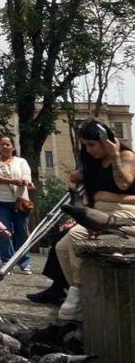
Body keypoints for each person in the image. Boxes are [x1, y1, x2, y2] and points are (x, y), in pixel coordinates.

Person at [54, 118, 135, 320]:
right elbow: (76, 178)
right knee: (61, 247)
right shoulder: (94, 164)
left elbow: (124, 183)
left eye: (92, 144)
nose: (88, 150)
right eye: (85, 146)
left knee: (75, 236)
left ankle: (78, 292)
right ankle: (82, 291)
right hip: (98, 214)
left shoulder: (126, 156)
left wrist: (114, 155)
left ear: (105, 140)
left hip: (125, 215)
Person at [0, 134, 35, 275]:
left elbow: (26, 175)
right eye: (2, 144)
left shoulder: (21, 161)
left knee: (22, 232)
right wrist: (11, 181)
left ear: (13, 147)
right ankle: (6, 261)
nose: (5, 147)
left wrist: (26, 182)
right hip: (1, 202)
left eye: (8, 144)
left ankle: (24, 261)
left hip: (20, 202)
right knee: (4, 232)